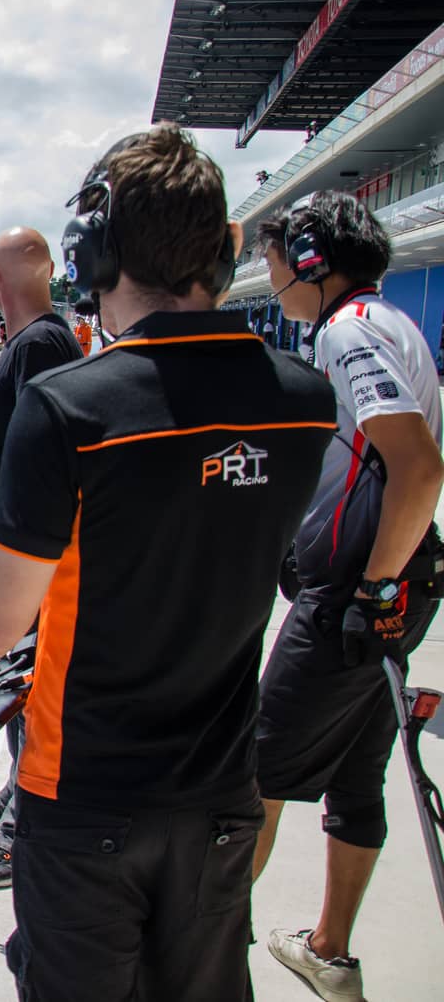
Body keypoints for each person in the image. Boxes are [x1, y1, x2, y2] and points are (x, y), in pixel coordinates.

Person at [0, 123, 336, 1001]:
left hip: (86, 794)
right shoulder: (306, 403)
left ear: (94, 253)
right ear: (224, 249)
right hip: (223, 794)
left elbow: (0, 613)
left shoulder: (70, 406)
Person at [250, 191, 444, 1002]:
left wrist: (372, 588)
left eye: (273, 266)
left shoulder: (347, 329)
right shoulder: (392, 320)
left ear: (309, 262)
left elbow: (420, 465)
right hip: (396, 589)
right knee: (357, 782)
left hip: (356, 595)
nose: (271, 284)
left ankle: (201, 952)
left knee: (253, 773)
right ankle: (329, 952)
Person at [0, 227, 83, 891]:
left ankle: (20, 830)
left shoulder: (41, 344)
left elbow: (45, 458)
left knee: (29, 686)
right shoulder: (41, 341)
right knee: (19, 678)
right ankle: (15, 793)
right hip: (22, 540)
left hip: (32, 550)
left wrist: (0, 534)